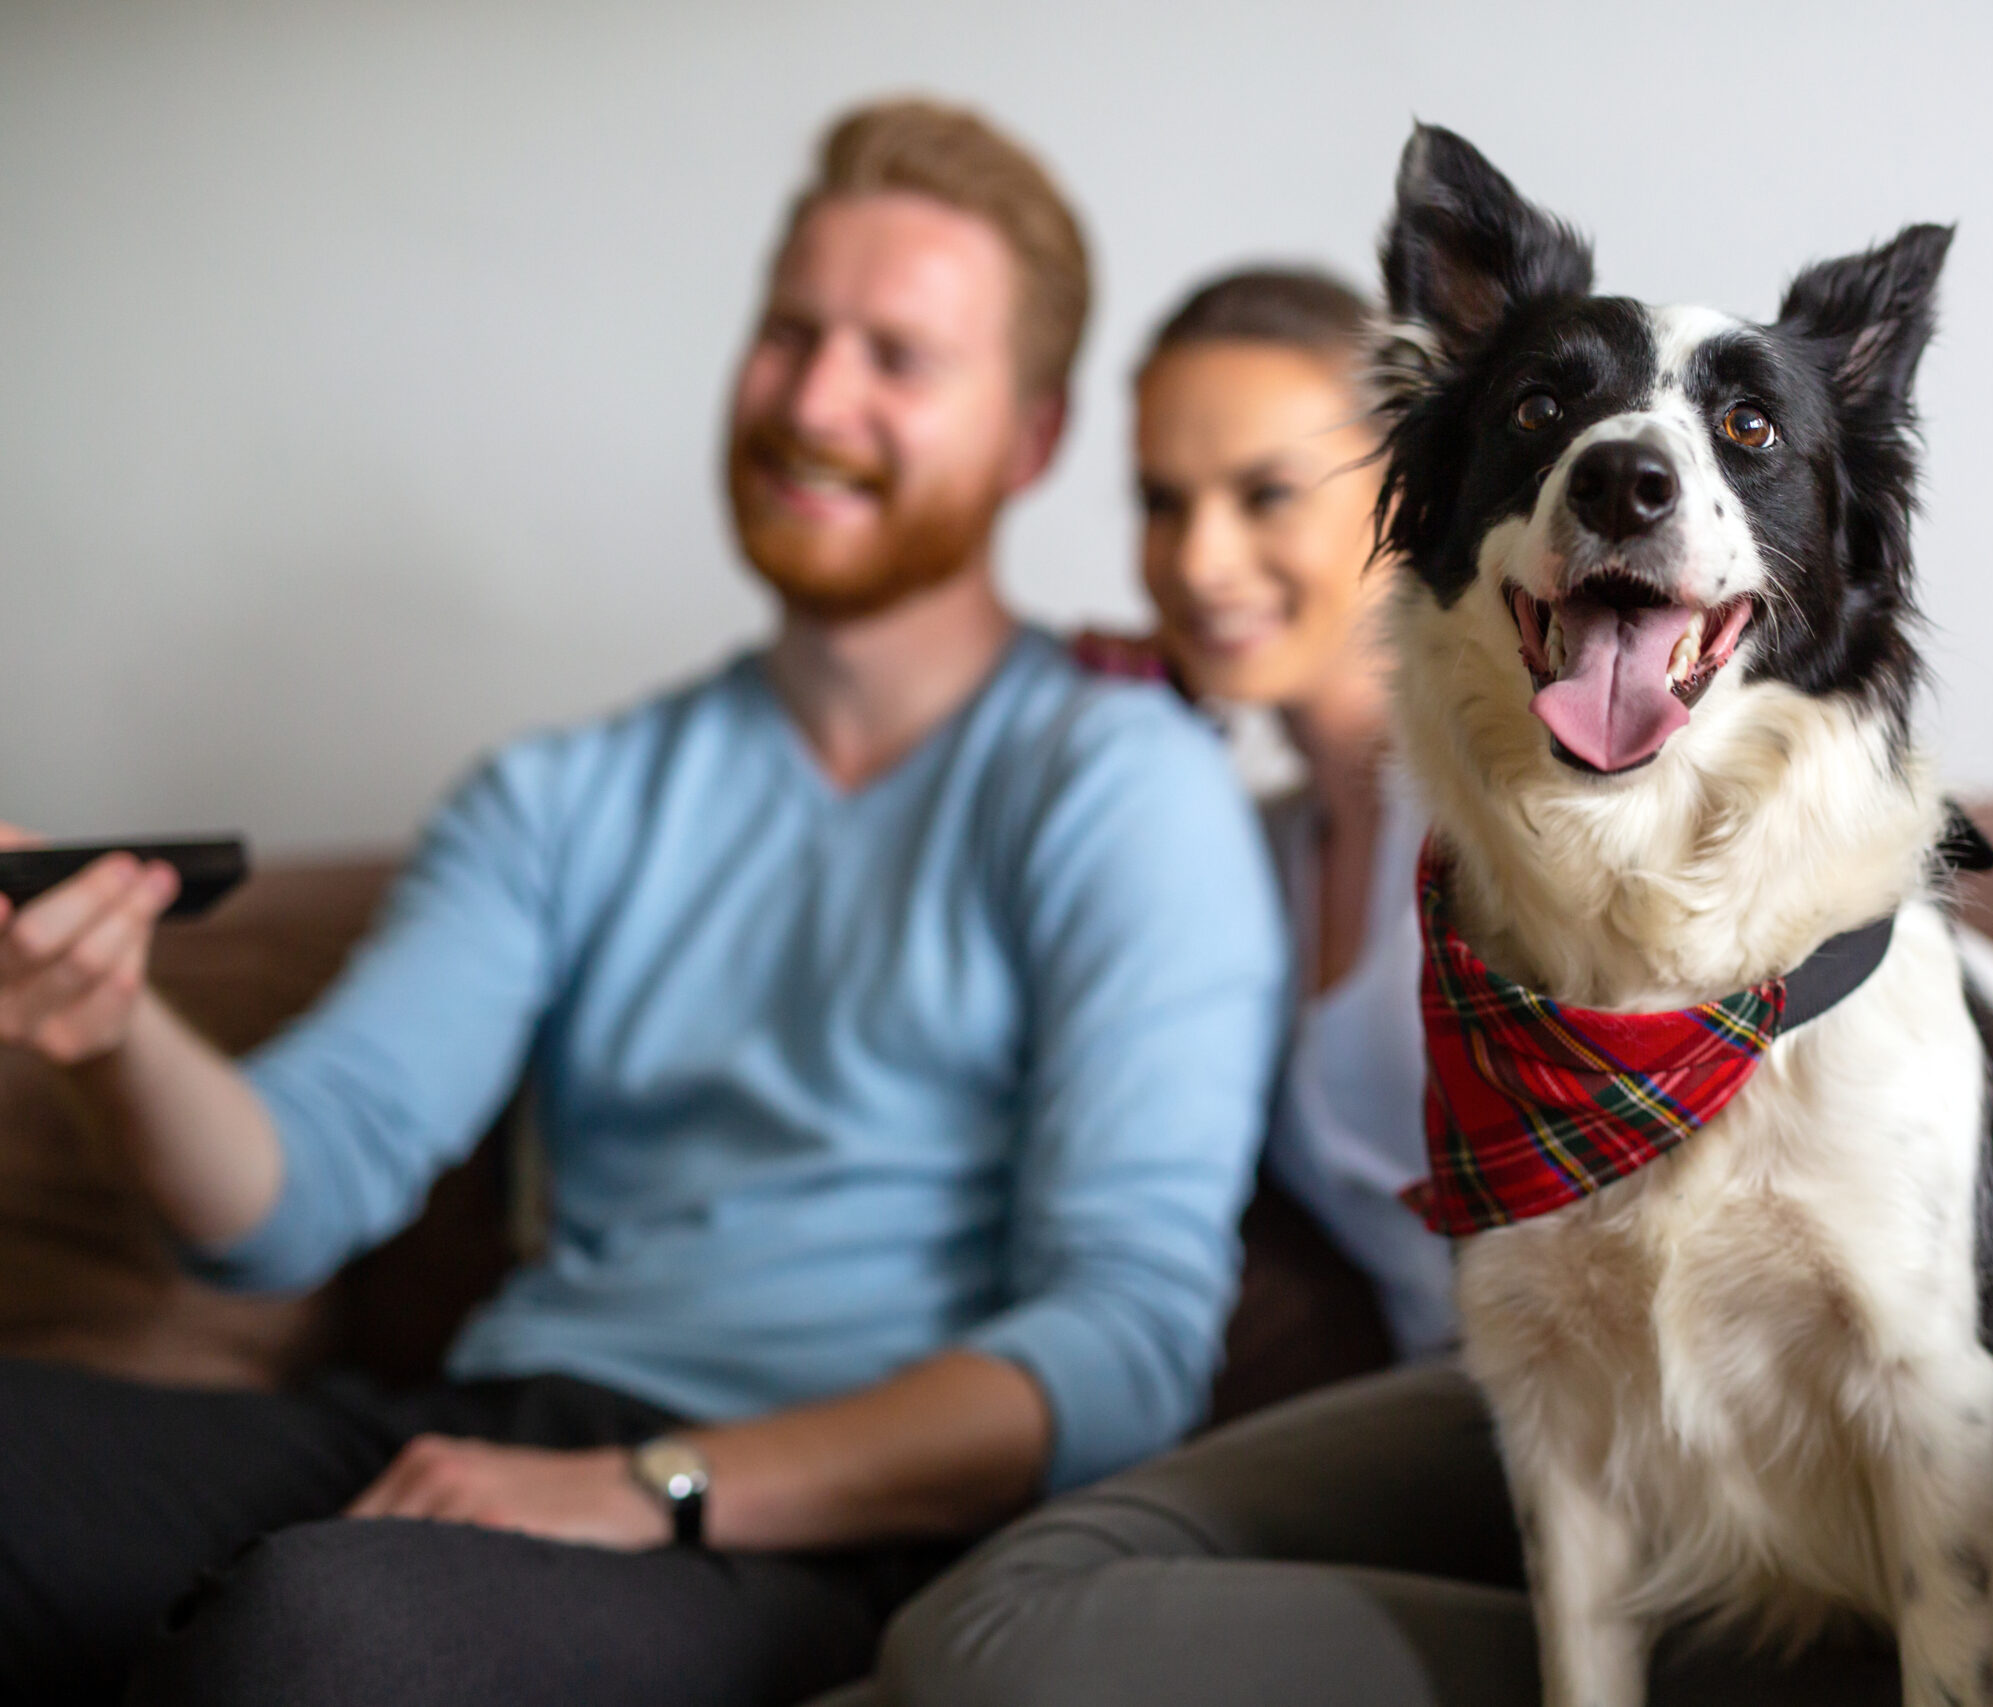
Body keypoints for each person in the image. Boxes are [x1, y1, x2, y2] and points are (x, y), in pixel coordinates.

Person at [0, 101, 1289, 1707]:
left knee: (334, 1635)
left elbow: (1122, 1345)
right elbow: (286, 1202)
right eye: (789, 335)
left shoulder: (1117, 787)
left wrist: (652, 1489)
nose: (817, 399)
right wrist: (114, 1026)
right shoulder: (566, 794)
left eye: (899, 358)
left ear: (1029, 441)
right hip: (484, 1434)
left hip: (824, 1522)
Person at [857, 267, 1993, 1706]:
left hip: (1760, 1446)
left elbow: (1941, 1019)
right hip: (1540, 1423)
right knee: (987, 1619)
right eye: (1165, 503)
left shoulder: (1631, 782)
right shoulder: (1238, 838)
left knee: (996, 1643)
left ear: (1395, 473)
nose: (1203, 557)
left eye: (1267, 493)